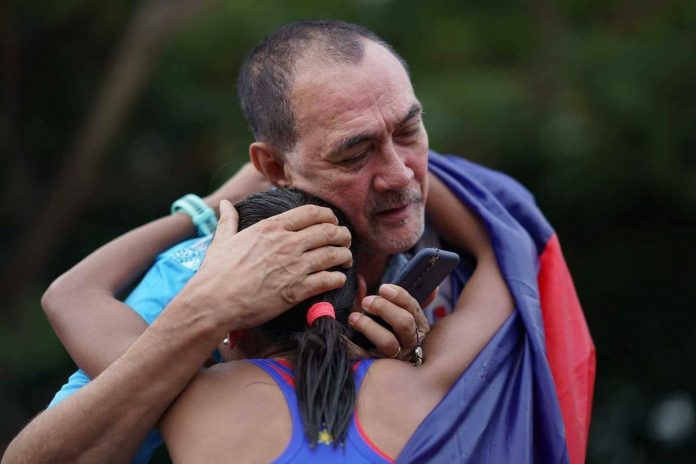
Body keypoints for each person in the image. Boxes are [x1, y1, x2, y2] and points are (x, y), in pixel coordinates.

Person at [3, 19, 594, 464]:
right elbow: (511, 246)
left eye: (409, 129)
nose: (399, 173)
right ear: (274, 167)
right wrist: (201, 309)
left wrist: (208, 210)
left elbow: (68, 294)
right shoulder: (188, 279)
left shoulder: (203, 399)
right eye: (355, 151)